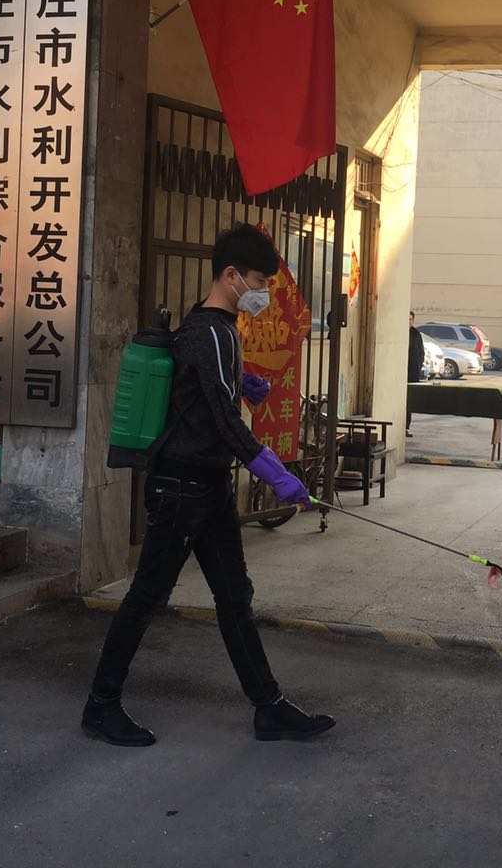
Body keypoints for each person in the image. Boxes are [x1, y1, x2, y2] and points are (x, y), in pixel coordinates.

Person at [82, 224, 335, 747]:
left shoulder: (216, 327)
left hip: (207, 484)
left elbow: (200, 388)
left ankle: (269, 707)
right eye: (260, 281)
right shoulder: (210, 331)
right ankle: (100, 706)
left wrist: (241, 383)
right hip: (182, 486)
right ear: (231, 276)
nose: (263, 292)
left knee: (235, 597)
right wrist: (277, 474)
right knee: (147, 597)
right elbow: (223, 420)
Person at [406, 311, 425, 436]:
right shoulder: (399, 332)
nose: (408, 321)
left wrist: (417, 367)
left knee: (409, 402)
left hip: (412, 373)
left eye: (410, 319)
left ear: (413, 321)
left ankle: (406, 427)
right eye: (406, 319)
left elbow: (421, 353)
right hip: (400, 372)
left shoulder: (416, 334)